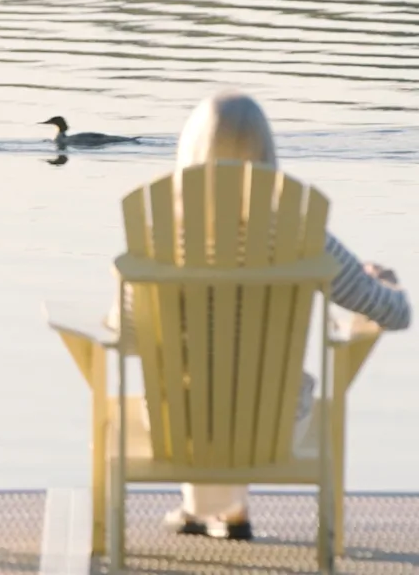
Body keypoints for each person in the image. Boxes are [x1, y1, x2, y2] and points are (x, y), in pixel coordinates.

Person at [109, 90, 411, 541]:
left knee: (197, 379)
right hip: (275, 425)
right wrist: (384, 283)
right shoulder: (305, 236)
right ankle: (228, 513)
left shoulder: (159, 239)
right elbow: (395, 314)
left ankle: (208, 511)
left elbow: (126, 337)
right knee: (248, 385)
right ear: (268, 153)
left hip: (176, 423)